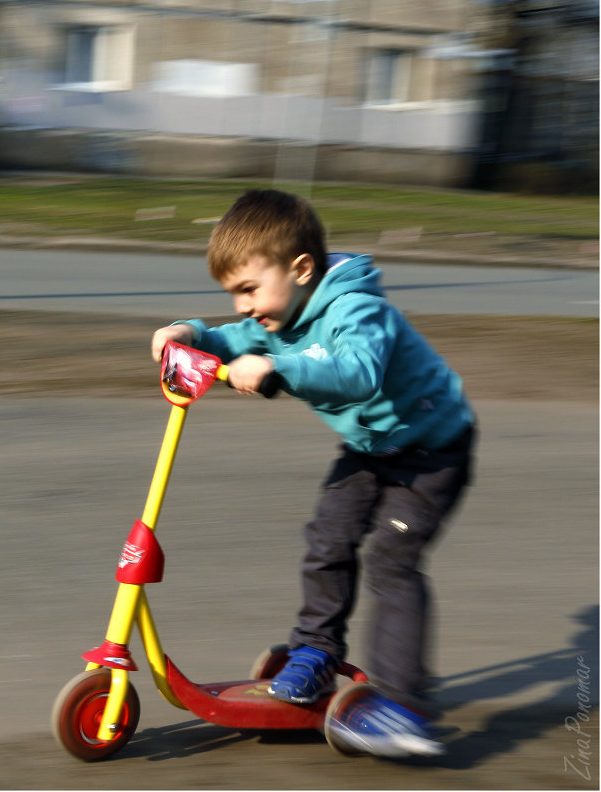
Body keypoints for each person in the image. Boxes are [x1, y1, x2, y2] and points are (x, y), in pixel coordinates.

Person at [151, 189, 475, 758]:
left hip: (433, 450)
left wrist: (278, 366)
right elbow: (231, 337)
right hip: (371, 447)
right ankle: (317, 651)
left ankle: (403, 706)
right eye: (234, 293)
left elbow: (357, 372)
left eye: (249, 289)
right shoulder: (279, 312)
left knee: (391, 563)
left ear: (301, 269)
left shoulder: (357, 307)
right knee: (328, 538)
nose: (244, 305)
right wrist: (188, 335)